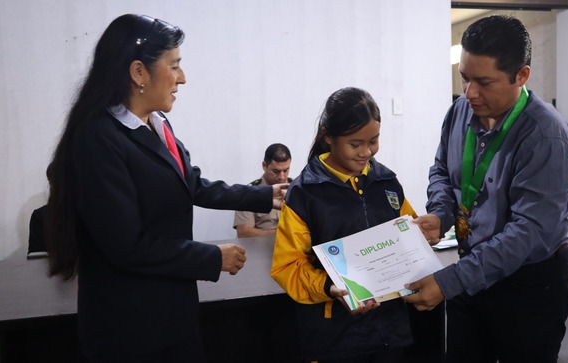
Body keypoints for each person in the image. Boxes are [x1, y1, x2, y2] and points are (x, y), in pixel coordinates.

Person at [44, 14, 286, 363]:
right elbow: (127, 246)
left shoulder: (156, 123)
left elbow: (190, 183)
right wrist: (212, 257)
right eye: (174, 66)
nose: (182, 78)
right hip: (130, 328)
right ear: (139, 72)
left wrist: (266, 196)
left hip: (172, 313)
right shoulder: (98, 139)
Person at [403, 15, 568, 362]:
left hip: (528, 286)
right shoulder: (460, 112)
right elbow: (441, 169)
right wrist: (442, 213)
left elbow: (528, 232)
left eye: (484, 82)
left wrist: (448, 282)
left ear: (522, 75)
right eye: (464, 78)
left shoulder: (545, 136)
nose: (470, 93)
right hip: (472, 273)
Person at [271, 87, 420, 362]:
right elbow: (287, 266)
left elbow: (408, 237)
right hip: (335, 339)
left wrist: (422, 238)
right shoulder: (305, 194)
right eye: (355, 143)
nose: (366, 152)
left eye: (373, 141)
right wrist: (329, 287)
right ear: (328, 136)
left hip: (389, 334)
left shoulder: (386, 183)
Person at [233, 143, 292, 238]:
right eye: (276, 171)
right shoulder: (248, 193)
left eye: (285, 171)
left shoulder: (299, 190)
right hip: (262, 249)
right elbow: (244, 233)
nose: (282, 177)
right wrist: (283, 233)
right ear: (264, 165)